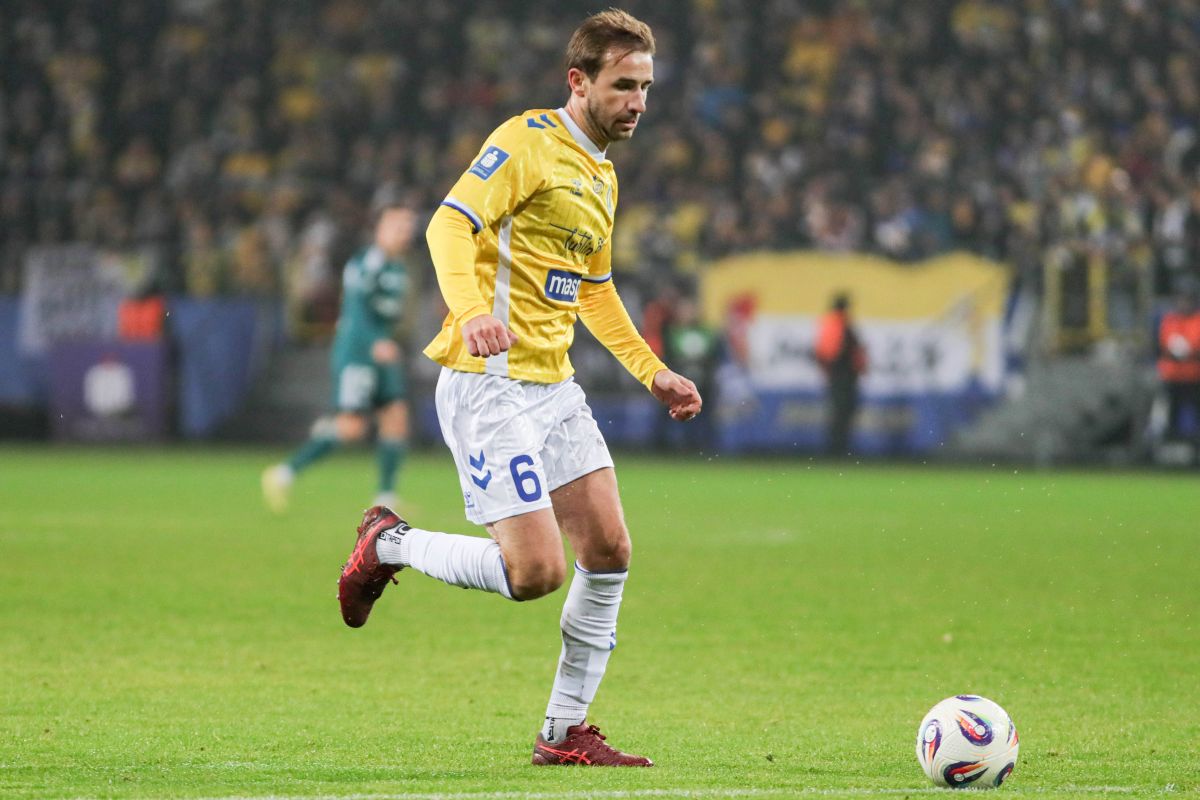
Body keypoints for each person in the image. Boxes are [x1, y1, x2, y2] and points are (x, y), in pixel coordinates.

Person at [336, 9, 701, 767]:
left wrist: (653, 370)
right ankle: (388, 542)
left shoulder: (602, 175)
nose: (637, 102)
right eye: (622, 86)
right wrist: (471, 311)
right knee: (535, 573)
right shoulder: (526, 141)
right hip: (488, 383)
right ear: (579, 81)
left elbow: (593, 289)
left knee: (609, 549)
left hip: (553, 386)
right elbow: (446, 227)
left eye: (645, 88)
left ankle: (564, 732)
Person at [261, 205, 416, 512]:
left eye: (408, 227)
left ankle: (385, 499)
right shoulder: (367, 263)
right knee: (351, 427)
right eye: (397, 226)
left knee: (396, 417)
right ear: (380, 229)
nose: (404, 233)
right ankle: (283, 473)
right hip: (359, 352)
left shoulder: (399, 269)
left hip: (382, 351)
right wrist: (375, 342)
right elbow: (356, 309)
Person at [814, 292, 867, 457]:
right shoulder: (839, 323)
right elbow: (835, 352)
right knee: (842, 411)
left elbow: (822, 352)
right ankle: (837, 449)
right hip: (842, 375)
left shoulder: (832, 323)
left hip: (838, 374)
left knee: (840, 411)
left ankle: (837, 448)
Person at [1156, 279, 1200, 447]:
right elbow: (1165, 340)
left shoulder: (1197, 320)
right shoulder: (1170, 320)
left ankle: (1195, 446)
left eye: (1187, 299)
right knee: (1171, 412)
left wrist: (1189, 348)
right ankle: (1170, 444)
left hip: (1194, 375)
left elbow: (1195, 343)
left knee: (1195, 410)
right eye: (1181, 298)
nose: (1184, 303)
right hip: (1172, 375)